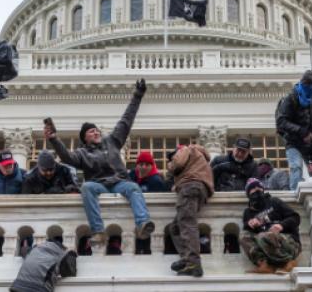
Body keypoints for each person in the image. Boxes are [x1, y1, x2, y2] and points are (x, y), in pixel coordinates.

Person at [46, 78, 153, 247]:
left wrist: (138, 95)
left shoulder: (113, 141)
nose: (95, 132)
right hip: (99, 185)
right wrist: (54, 139)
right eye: (91, 131)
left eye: (96, 129)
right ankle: (98, 230)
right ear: (85, 138)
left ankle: (143, 223)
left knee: (133, 187)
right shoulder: (82, 153)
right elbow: (66, 157)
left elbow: (126, 119)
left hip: (119, 182)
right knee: (87, 187)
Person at [165, 142, 214, 277]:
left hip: (190, 186)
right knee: (175, 227)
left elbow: (178, 164)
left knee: (187, 223)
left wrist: (170, 166)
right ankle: (187, 260)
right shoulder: (200, 157)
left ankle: (193, 262)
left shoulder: (186, 149)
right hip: (199, 189)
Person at [275, 71, 312, 190]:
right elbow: (281, 121)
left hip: (310, 144)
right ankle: (294, 195)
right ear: (306, 84)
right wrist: (302, 132)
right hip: (294, 142)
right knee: (296, 167)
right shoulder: (290, 98)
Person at [241, 178, 301, 274]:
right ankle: (264, 265)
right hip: (266, 246)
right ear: (248, 193)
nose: (256, 189)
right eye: (253, 188)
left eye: (259, 187)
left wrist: (281, 225)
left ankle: (288, 262)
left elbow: (295, 217)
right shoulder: (248, 212)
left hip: (289, 243)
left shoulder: (274, 202)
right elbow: (247, 231)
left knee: (265, 235)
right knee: (244, 237)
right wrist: (250, 224)